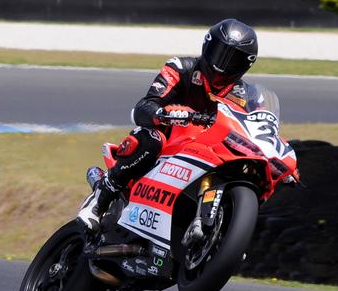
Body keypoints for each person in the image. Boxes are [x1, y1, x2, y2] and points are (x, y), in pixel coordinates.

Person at [78, 18, 258, 232]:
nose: (223, 64)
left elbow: (254, 128)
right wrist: (164, 114)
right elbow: (143, 108)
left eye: (233, 60)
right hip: (168, 143)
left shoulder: (243, 95)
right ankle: (100, 200)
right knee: (151, 140)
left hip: (208, 151)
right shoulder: (181, 68)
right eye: (220, 53)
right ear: (207, 46)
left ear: (245, 65)